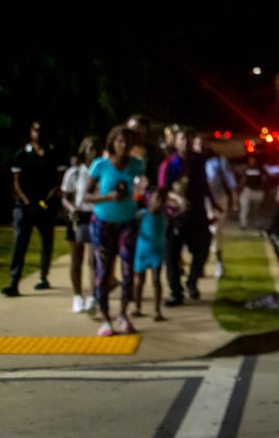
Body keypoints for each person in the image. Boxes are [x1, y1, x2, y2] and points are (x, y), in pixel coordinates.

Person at [83, 125, 144, 336]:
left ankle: (123, 314)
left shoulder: (138, 165)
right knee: (103, 273)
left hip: (127, 222)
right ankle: (106, 318)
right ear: (112, 143)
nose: (124, 145)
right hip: (103, 223)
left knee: (128, 272)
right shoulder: (100, 165)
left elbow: (143, 191)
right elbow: (86, 196)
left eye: (127, 141)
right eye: (119, 141)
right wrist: (108, 197)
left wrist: (138, 194)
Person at [2, 120, 61, 297]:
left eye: (41, 130)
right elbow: (16, 182)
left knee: (47, 242)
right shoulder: (22, 154)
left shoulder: (53, 154)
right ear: (31, 132)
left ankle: (43, 276)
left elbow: (58, 180)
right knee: (20, 242)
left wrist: (45, 201)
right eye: (35, 130)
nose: (39, 133)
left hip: (45, 205)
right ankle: (14, 282)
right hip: (24, 206)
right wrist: (27, 202)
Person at [165, 131, 219, 306]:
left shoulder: (199, 161)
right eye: (182, 139)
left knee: (202, 248)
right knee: (172, 255)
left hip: (198, 213)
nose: (186, 142)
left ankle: (192, 281)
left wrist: (213, 202)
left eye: (189, 139)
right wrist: (176, 199)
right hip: (176, 215)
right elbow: (163, 189)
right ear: (176, 142)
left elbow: (204, 184)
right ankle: (175, 292)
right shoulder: (170, 164)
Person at [60, 136, 100, 313]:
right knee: (77, 259)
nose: (94, 151)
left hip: (97, 215)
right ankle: (77, 296)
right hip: (79, 216)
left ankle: (93, 296)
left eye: (96, 148)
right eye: (90, 148)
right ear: (83, 150)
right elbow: (64, 197)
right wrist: (71, 209)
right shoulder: (74, 172)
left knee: (94, 259)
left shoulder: (102, 170)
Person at [133, 186, 170, 321]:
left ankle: (157, 310)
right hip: (142, 251)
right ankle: (137, 307)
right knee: (139, 280)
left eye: (163, 200)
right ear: (150, 200)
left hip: (157, 251)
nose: (160, 203)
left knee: (156, 280)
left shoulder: (165, 216)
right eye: (158, 199)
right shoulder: (142, 215)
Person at [204, 146, 237, 278]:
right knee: (202, 234)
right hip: (202, 202)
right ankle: (200, 265)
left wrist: (234, 198)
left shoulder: (219, 161)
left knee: (215, 231)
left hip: (218, 200)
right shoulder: (193, 160)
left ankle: (219, 263)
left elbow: (230, 179)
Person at [238, 154, 267, 230]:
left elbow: (264, 179)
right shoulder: (246, 168)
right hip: (248, 190)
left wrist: (262, 188)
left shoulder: (260, 169)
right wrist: (239, 189)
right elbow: (243, 179)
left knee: (257, 209)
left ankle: (258, 224)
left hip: (257, 191)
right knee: (244, 207)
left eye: (253, 160)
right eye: (250, 160)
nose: (252, 161)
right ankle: (243, 224)